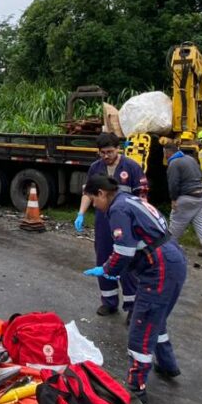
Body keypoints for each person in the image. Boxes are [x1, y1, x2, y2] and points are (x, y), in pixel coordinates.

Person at [81, 175, 186, 404]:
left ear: (100, 193)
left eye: (92, 200)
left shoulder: (118, 209)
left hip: (159, 267)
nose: (94, 207)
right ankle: (168, 365)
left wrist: (107, 269)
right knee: (156, 318)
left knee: (141, 325)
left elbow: (124, 250)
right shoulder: (129, 199)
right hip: (172, 259)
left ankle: (136, 388)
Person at [75, 132, 148, 318]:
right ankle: (109, 301)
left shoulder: (131, 168)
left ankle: (132, 307)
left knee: (126, 262)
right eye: (102, 153)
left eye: (110, 151)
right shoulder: (95, 168)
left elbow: (142, 198)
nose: (106, 156)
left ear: (118, 149)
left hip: (126, 222)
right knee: (103, 260)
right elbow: (88, 194)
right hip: (103, 222)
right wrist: (81, 213)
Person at [167, 132, 202, 259]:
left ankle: (167, 247)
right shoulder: (190, 159)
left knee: (176, 223)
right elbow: (200, 174)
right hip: (201, 197)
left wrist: (173, 199)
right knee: (200, 223)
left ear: (167, 152)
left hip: (187, 198)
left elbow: (173, 183)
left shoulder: (174, 163)